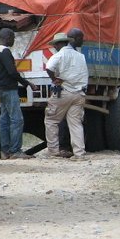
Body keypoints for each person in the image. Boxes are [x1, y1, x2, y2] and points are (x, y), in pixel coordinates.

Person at [44, 28, 89, 159]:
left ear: (59, 44)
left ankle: (53, 151)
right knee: (75, 123)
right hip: (79, 94)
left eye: (55, 45)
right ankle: (79, 153)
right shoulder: (80, 56)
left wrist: (54, 79)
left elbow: (49, 67)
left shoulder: (60, 55)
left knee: (51, 120)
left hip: (64, 92)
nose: (54, 48)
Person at [0, 27, 35, 159]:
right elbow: (12, 72)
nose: (14, 40)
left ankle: (5, 151)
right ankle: (15, 150)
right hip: (10, 89)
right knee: (17, 119)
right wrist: (26, 82)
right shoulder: (5, 52)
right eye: (13, 38)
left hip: (1, 88)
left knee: (4, 120)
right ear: (7, 38)